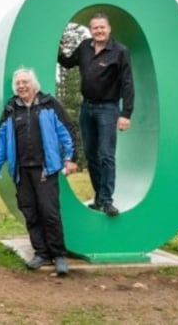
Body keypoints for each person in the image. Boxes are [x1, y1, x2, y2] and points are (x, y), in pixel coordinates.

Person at [0, 68, 78, 275]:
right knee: (30, 212)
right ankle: (41, 253)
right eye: (18, 83)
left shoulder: (49, 104)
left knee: (50, 212)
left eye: (25, 82)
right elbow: (1, 140)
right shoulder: (11, 108)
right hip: (21, 171)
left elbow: (66, 131)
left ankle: (59, 255)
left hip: (46, 170)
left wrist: (71, 158)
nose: (21, 86)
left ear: (34, 84)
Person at [57, 12, 134, 217]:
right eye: (95, 28)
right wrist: (58, 49)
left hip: (108, 109)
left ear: (109, 29)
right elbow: (66, 63)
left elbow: (127, 84)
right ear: (90, 30)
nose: (99, 31)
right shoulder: (84, 47)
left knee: (106, 155)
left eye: (102, 27)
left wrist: (126, 113)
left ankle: (107, 200)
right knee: (91, 155)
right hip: (87, 108)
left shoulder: (120, 51)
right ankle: (99, 198)